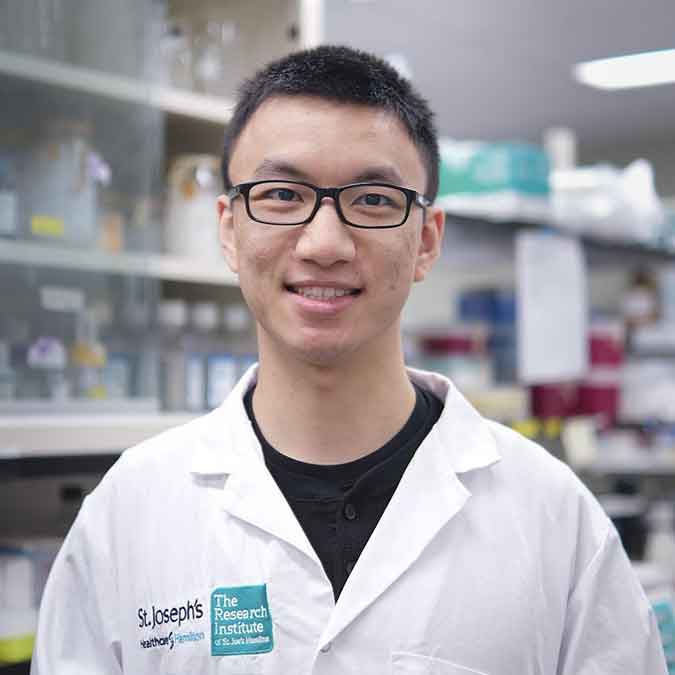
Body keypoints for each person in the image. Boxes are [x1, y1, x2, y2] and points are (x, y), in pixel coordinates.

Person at [32, 45, 667, 675]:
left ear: (426, 240)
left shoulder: (551, 514)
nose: (325, 244)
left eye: (372, 201)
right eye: (280, 195)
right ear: (228, 229)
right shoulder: (131, 511)